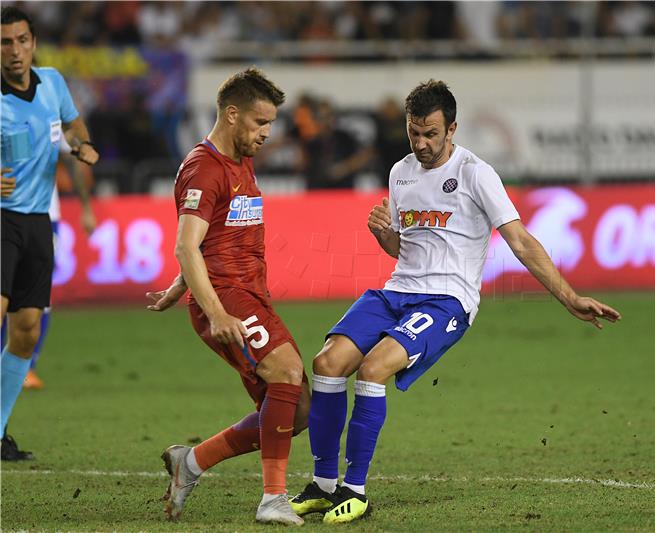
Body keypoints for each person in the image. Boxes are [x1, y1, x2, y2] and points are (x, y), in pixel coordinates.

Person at [289, 80, 621, 523]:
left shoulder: (475, 174)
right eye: (414, 133)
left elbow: (519, 240)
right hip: (397, 290)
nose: (422, 144)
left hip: (446, 301)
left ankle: (356, 490)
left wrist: (568, 296)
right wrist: (384, 235)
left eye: (431, 134)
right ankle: (323, 484)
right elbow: (405, 249)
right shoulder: (400, 172)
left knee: (373, 369)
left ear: (452, 129)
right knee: (327, 364)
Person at [146, 68, 310, 526]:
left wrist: (179, 287)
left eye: (270, 124)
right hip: (228, 299)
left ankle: (191, 462)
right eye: (260, 123)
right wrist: (213, 310)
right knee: (287, 371)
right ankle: (273, 499)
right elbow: (185, 244)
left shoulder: (240, 158)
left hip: (250, 293)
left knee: (297, 410)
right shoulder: (205, 168)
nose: (266, 134)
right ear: (232, 114)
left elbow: (211, 240)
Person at [1, 6, 99, 461]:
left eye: (22, 40)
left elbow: (74, 122)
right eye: (5, 43)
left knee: (25, 330)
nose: (15, 51)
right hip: (0, 220)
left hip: (39, 222)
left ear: (33, 43)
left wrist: (82, 144)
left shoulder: (53, 82)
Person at [1, 142, 97, 391]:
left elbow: (72, 157)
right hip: (6, 214)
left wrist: (86, 208)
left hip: (44, 216)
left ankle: (26, 366)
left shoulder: (53, 106)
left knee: (36, 299)